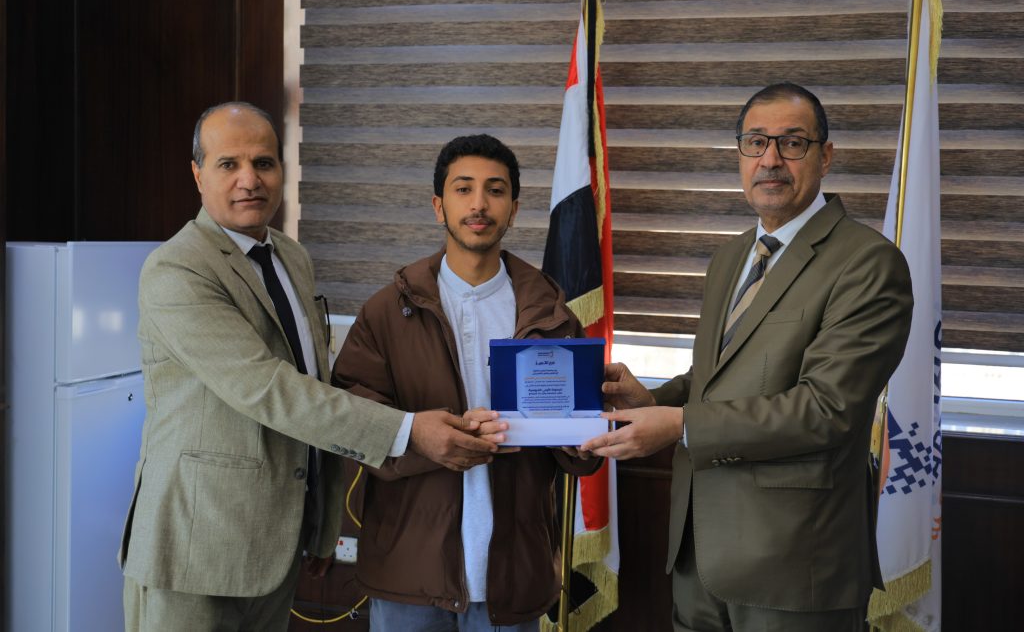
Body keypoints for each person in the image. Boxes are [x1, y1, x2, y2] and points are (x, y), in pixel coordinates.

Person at [119, 103, 502, 631]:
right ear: (198, 173)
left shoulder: (290, 257)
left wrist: (320, 523)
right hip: (193, 548)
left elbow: (313, 380)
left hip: (273, 544)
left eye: (264, 163)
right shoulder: (177, 268)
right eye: (229, 164)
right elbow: (268, 389)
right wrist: (408, 430)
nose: (250, 180)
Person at [581, 83, 914, 632]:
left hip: (794, 568)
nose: (771, 159)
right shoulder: (731, 256)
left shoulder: (868, 264)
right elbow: (717, 378)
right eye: (756, 142)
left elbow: (826, 409)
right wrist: (652, 400)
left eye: (793, 143)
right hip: (697, 559)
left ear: (826, 156)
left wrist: (678, 424)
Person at [332, 134, 602, 631]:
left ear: (513, 209)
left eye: (495, 190)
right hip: (409, 569)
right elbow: (349, 420)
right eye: (463, 189)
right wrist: (423, 440)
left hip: (513, 574)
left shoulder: (552, 314)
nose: (479, 204)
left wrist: (582, 436)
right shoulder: (387, 311)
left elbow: (578, 452)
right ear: (439, 205)